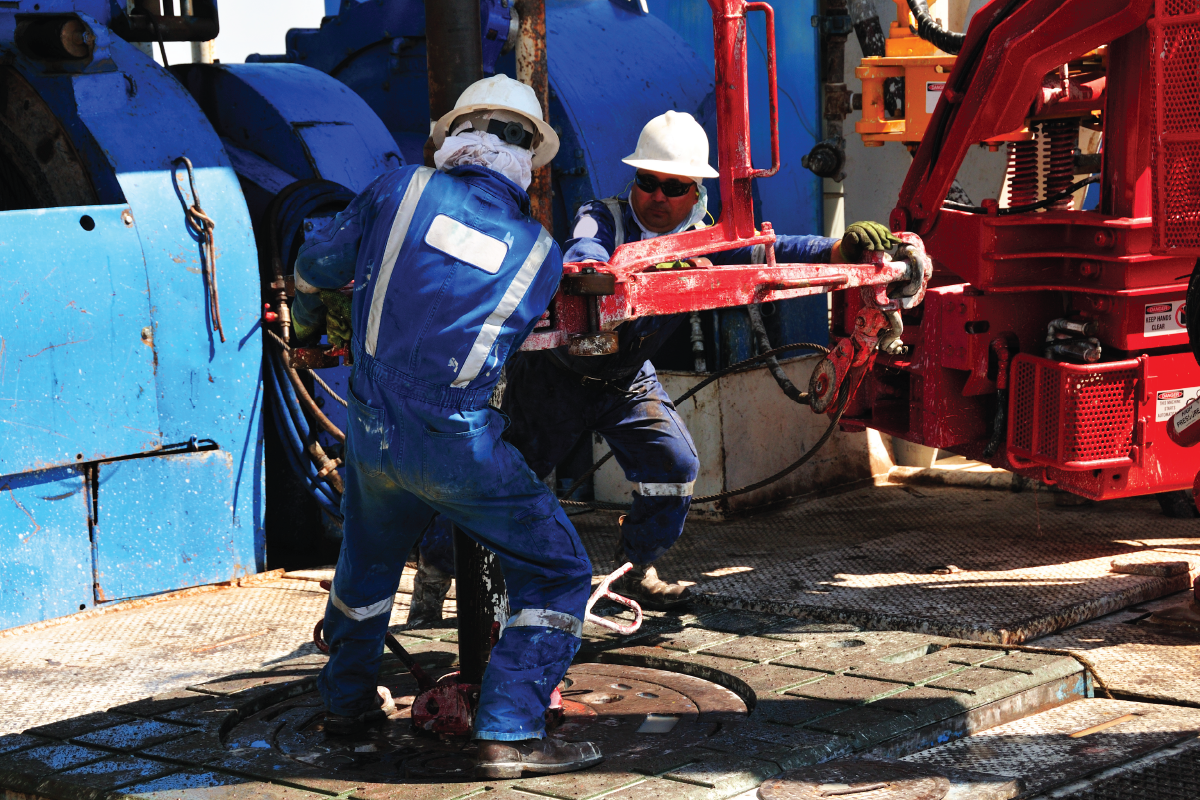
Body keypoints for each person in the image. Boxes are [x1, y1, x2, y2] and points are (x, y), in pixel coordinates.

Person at [290, 74, 601, 779]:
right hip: (459, 447)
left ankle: (346, 706)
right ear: (526, 158)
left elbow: (315, 267)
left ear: (455, 136)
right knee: (557, 570)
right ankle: (509, 730)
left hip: (372, 433)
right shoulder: (540, 251)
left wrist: (309, 326)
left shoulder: (397, 190)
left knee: (367, 567)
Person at [498, 110, 900, 610]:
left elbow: (770, 254)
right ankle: (437, 575)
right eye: (647, 182)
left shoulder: (704, 240)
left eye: (673, 187)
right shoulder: (601, 216)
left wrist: (841, 249)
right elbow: (584, 254)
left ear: (696, 193)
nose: (657, 197)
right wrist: (630, 269)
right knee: (499, 486)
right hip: (556, 377)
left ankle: (634, 569)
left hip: (625, 377)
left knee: (674, 466)